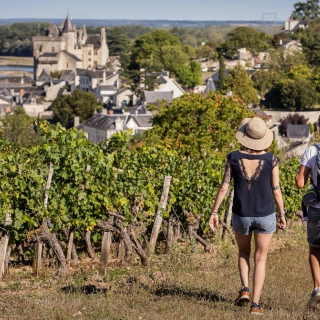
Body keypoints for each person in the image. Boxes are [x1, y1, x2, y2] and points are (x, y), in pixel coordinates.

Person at [209, 117, 286, 315]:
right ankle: (256, 304)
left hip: (241, 214)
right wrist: (282, 214)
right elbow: (276, 190)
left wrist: (214, 211)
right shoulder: (272, 160)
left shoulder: (233, 157)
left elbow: (224, 186)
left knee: (243, 253)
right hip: (265, 214)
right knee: (260, 259)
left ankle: (244, 289)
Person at [296, 117, 320, 308]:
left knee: (314, 248)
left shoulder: (312, 151)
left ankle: (318, 288)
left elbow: (299, 183)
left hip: (317, 209)